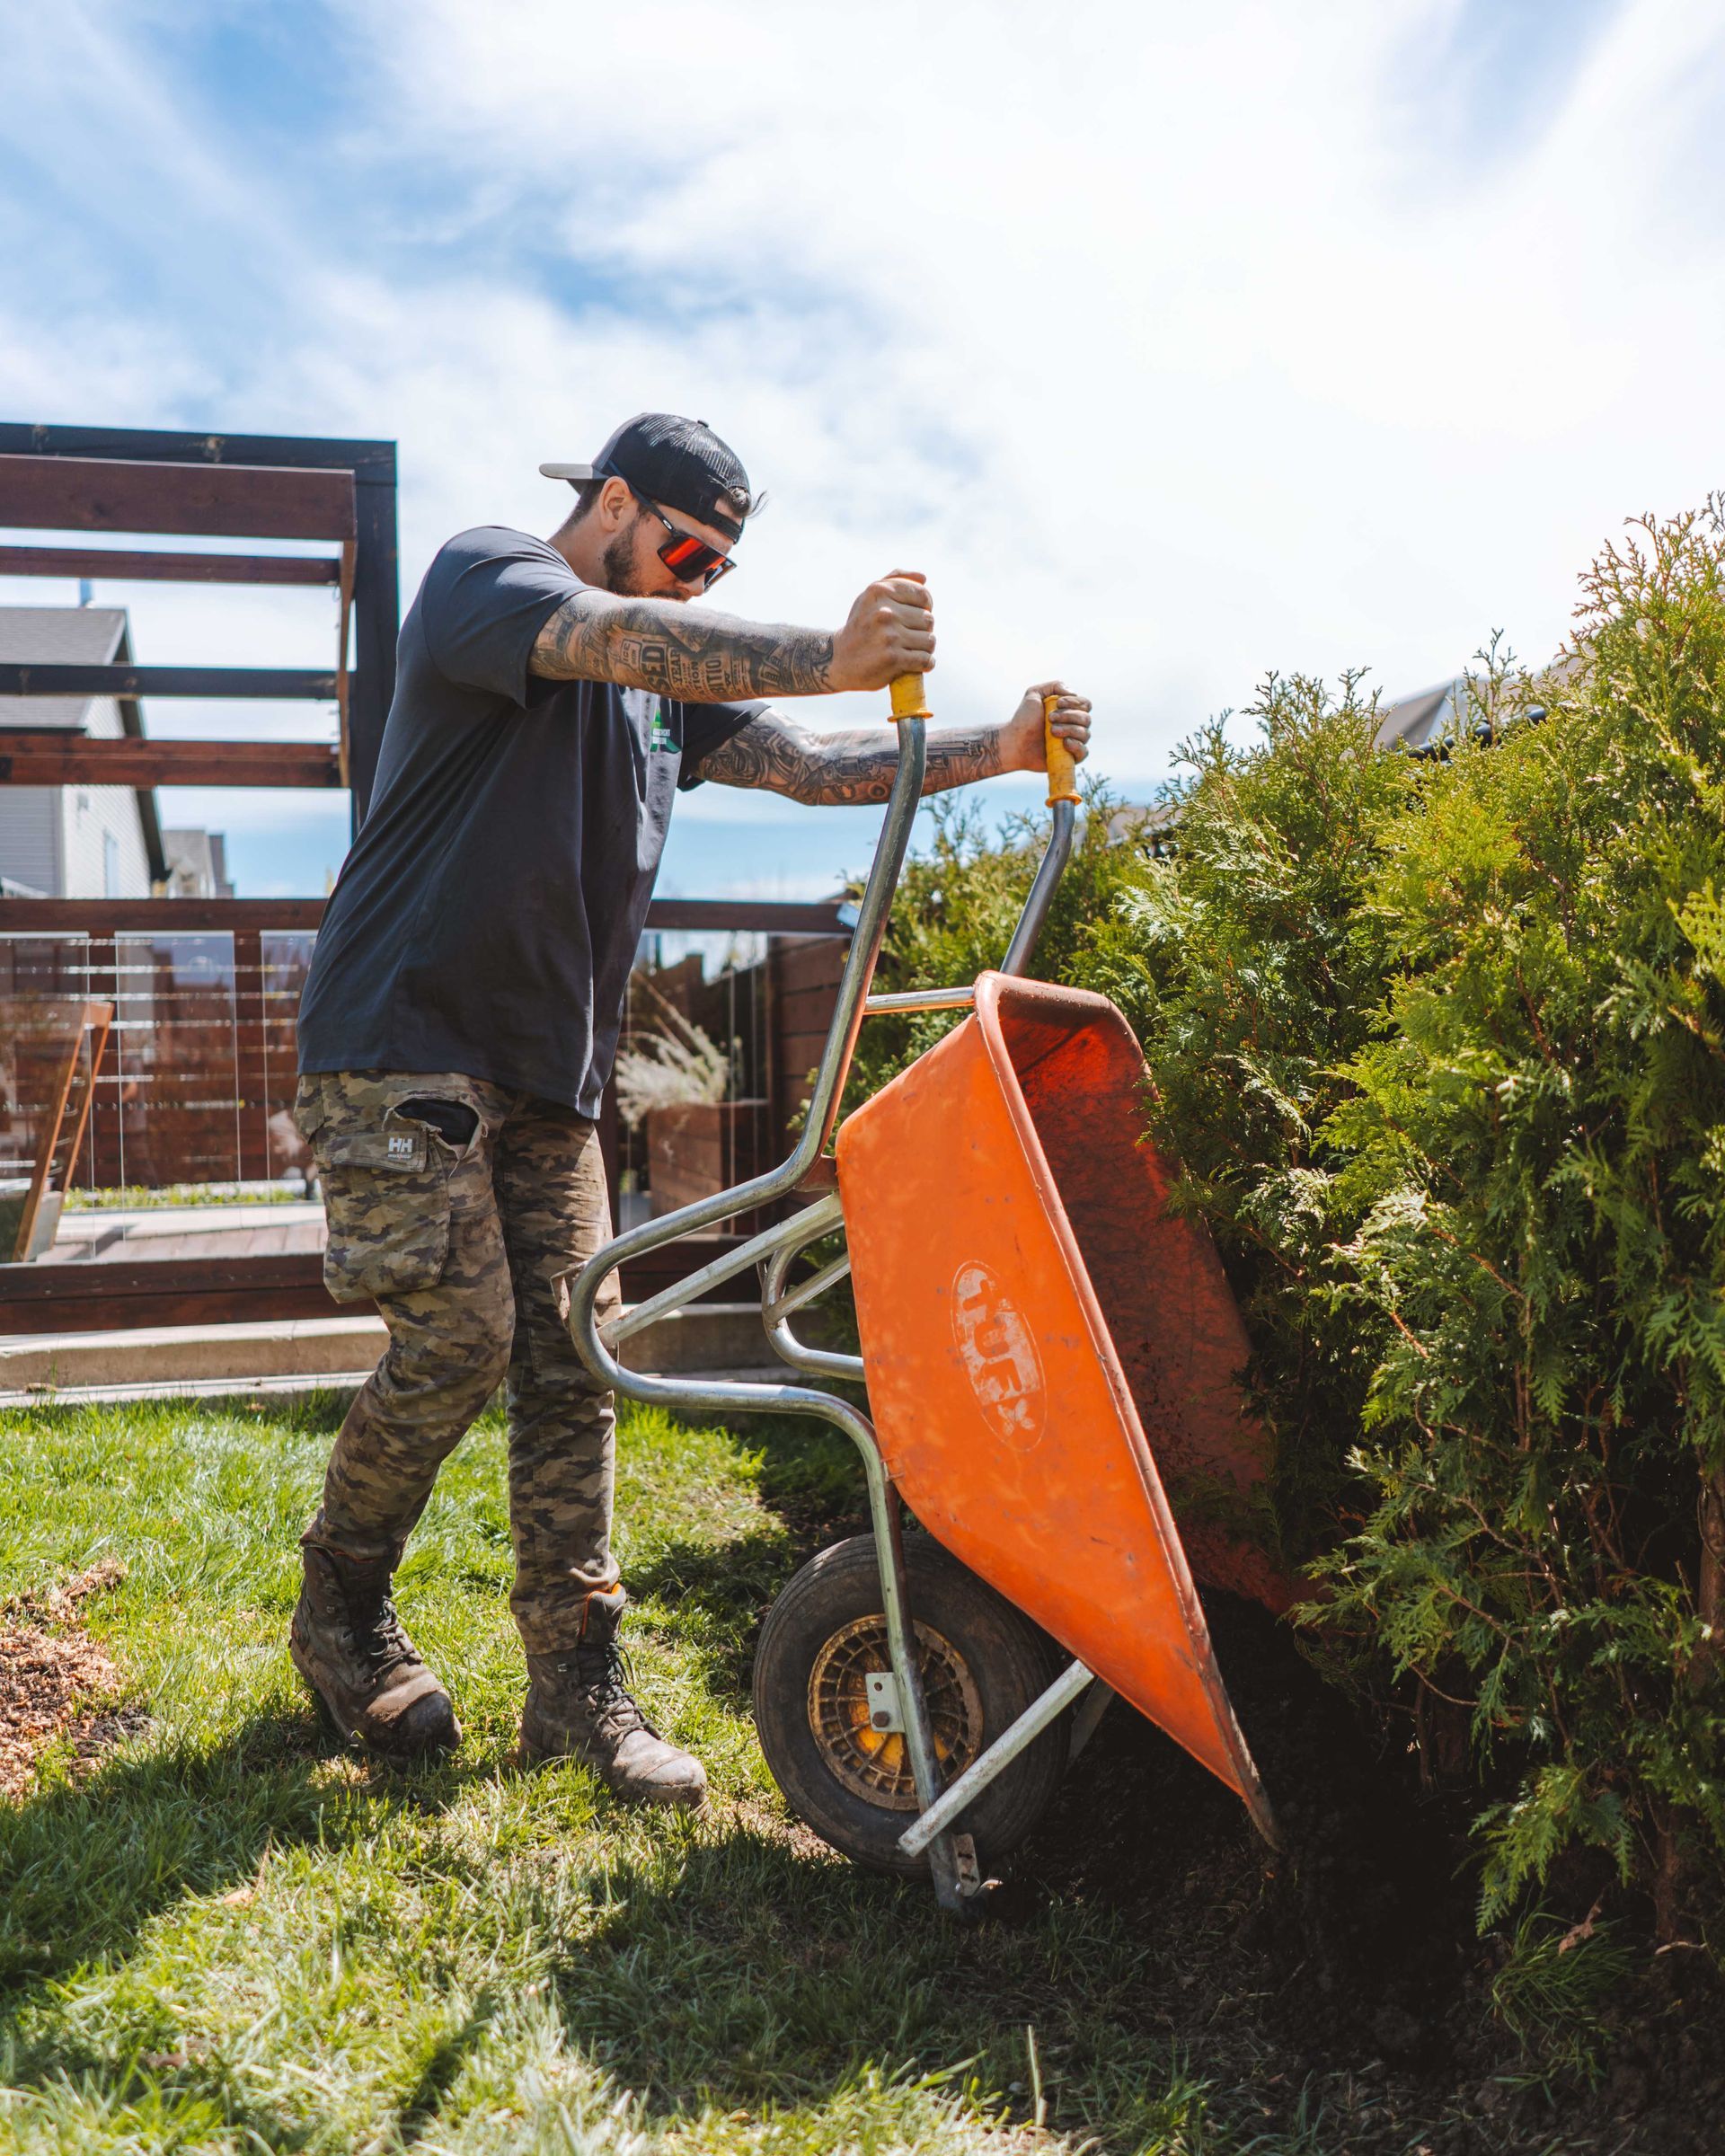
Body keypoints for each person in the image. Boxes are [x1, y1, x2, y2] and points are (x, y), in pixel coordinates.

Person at [288, 411, 1092, 1807]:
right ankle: (342, 1614)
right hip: (404, 1041)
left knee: (579, 1365)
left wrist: (1005, 744)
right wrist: (835, 649)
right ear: (612, 506)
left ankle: (577, 1691)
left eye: (721, 565)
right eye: (685, 550)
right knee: (466, 1340)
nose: (696, 583)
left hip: (551, 1076)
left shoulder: (669, 675)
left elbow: (807, 765)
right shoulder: (492, 581)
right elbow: (622, 640)